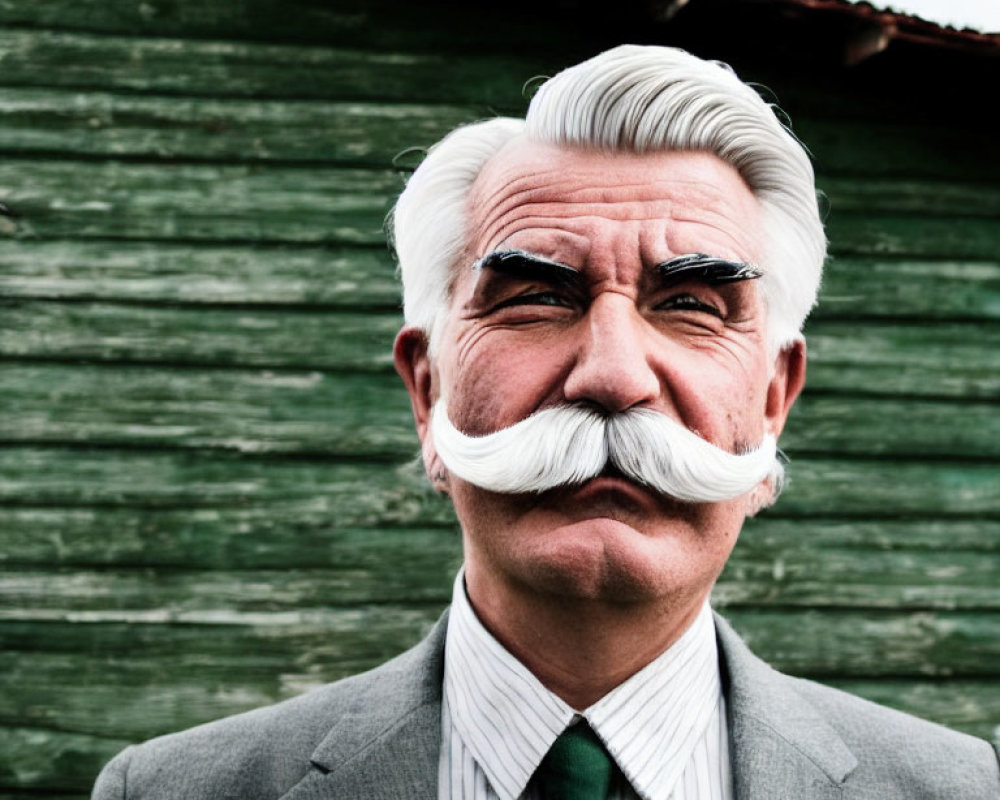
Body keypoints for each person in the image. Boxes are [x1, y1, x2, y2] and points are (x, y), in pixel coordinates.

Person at [92, 45, 998, 800]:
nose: (611, 376)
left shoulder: (957, 791)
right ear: (427, 390)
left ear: (772, 401)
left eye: (690, 303)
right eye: (535, 297)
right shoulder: (176, 790)